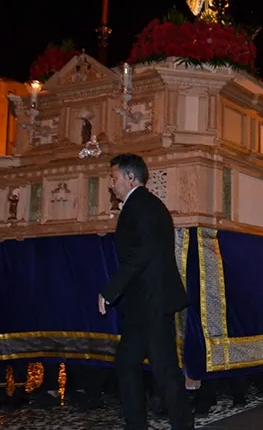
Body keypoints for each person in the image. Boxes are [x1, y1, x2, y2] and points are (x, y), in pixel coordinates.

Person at [99, 154, 193, 430]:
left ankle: (177, 424)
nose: (111, 184)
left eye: (114, 178)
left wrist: (110, 290)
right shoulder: (147, 204)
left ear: (130, 178)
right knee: (130, 363)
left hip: (150, 302)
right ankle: (138, 423)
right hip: (148, 301)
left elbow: (141, 253)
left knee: (162, 371)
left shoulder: (139, 206)